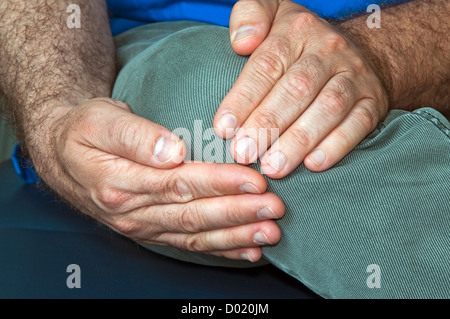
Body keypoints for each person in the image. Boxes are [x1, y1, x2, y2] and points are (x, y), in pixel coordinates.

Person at [0, 0, 448, 297]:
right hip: (163, 49)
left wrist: (384, 54)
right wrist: (58, 113)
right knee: (225, 117)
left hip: (421, 36)